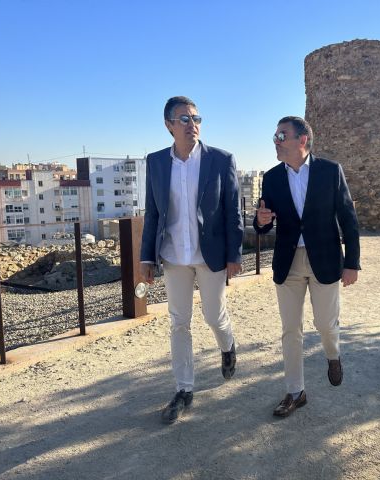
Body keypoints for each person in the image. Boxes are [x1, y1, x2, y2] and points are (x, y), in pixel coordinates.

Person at [140, 96, 243, 424]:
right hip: (173, 256)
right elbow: (153, 213)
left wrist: (234, 254)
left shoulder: (221, 160)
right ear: (169, 125)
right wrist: (146, 258)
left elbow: (233, 211)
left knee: (214, 315)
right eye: (184, 119)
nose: (192, 125)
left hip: (209, 255)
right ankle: (184, 389)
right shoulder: (156, 162)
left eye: (196, 119)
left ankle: (227, 345)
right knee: (179, 322)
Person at [253, 116, 360, 417]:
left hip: (325, 259)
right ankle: (295, 392)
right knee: (290, 329)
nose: (275, 141)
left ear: (302, 140)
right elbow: (263, 222)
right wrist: (260, 221)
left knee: (325, 324)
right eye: (275, 136)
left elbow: (348, 219)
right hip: (288, 262)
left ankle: (333, 354)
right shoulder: (272, 177)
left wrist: (352, 263)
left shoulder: (330, 171)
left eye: (281, 136)